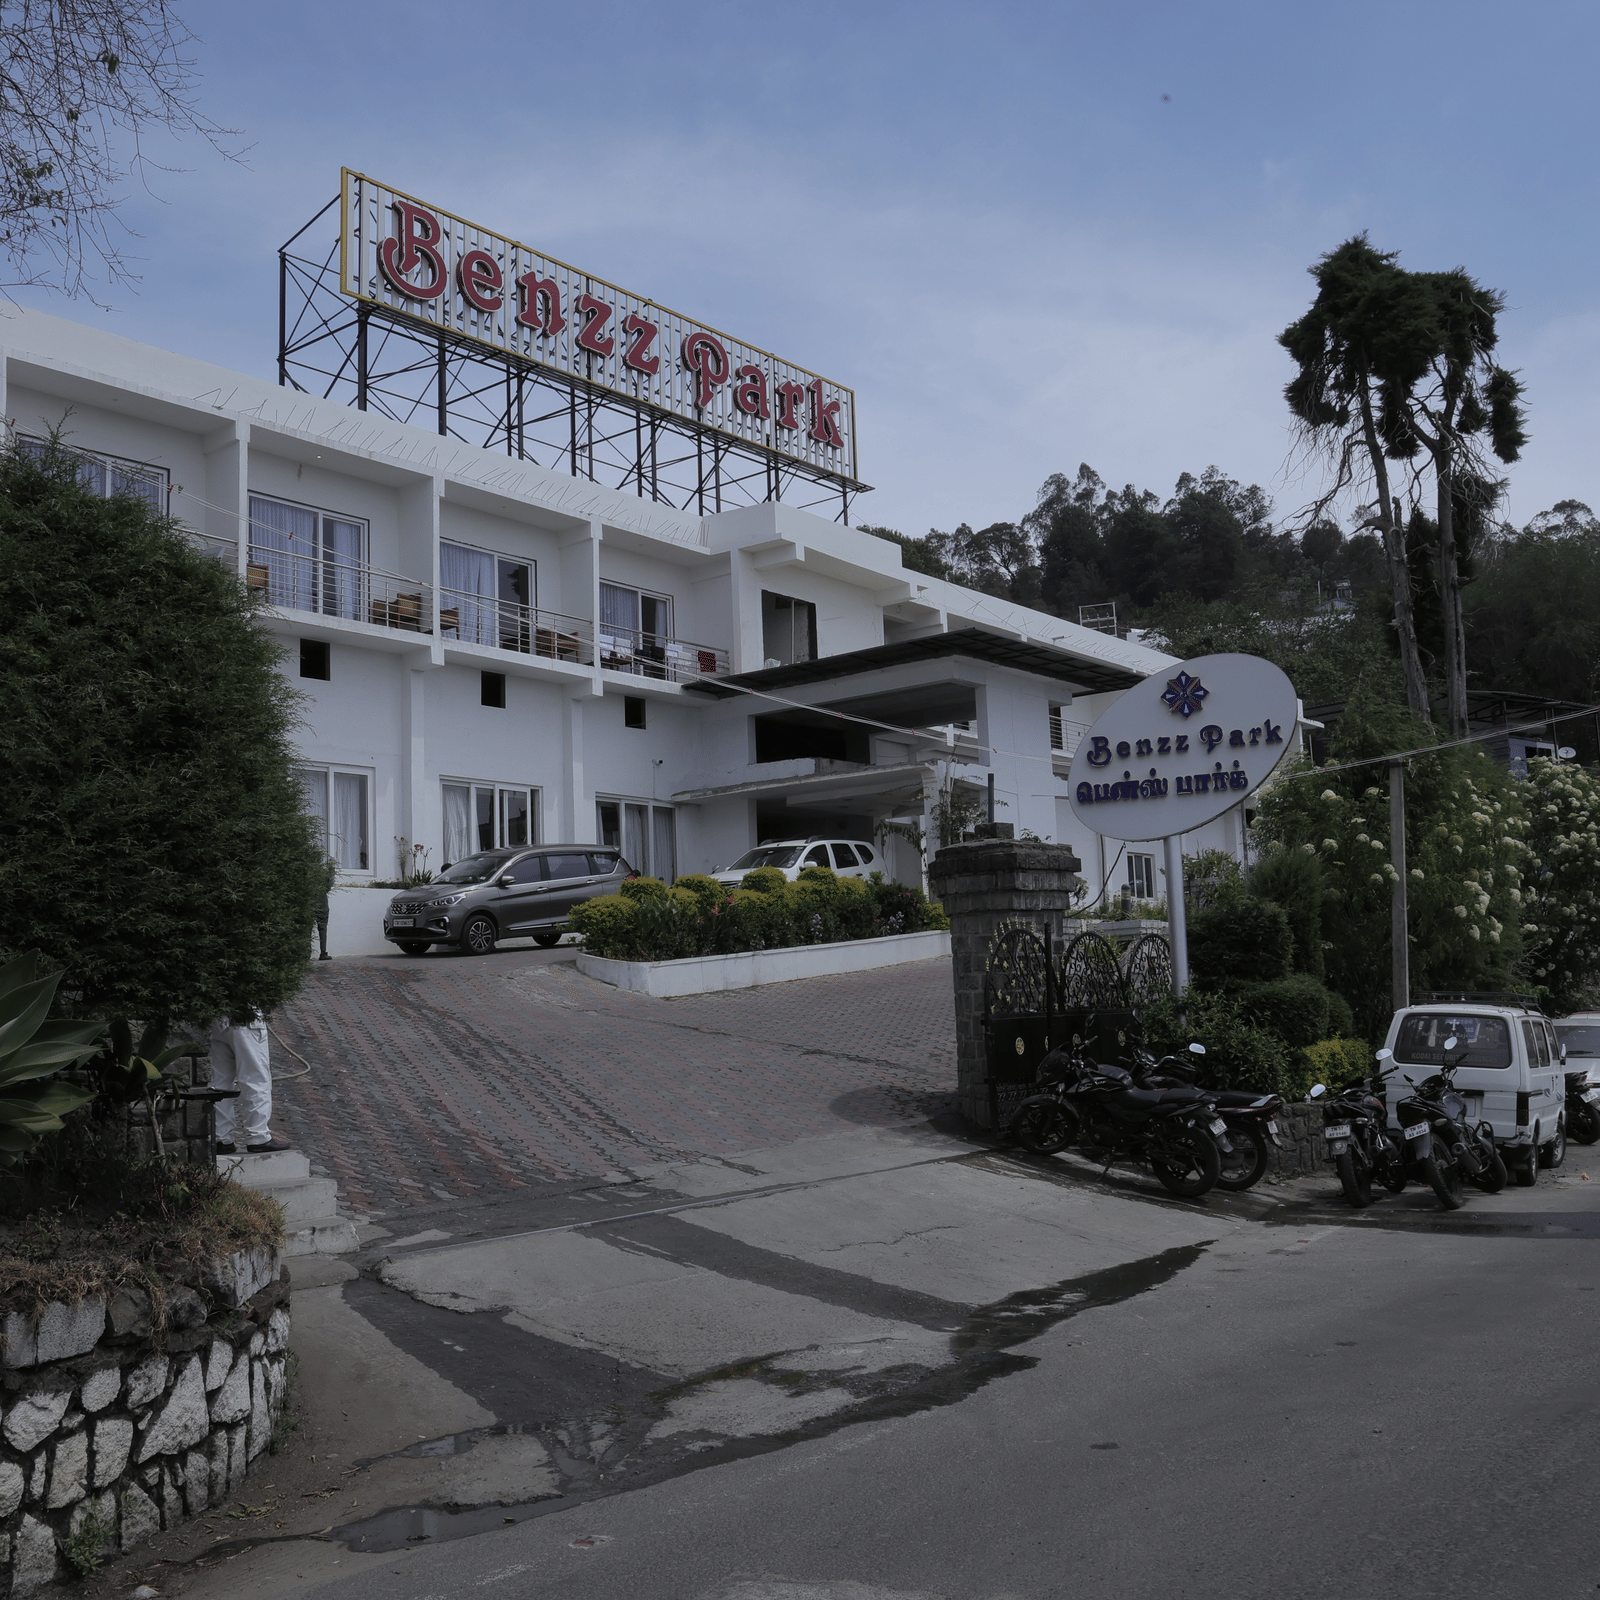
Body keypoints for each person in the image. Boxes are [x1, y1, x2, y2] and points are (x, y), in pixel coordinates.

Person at [209, 1012, 291, 1155]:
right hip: (246, 1019)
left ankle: (221, 1138)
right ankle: (258, 1137)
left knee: (218, 1082)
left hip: (218, 1019)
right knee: (255, 1079)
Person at [315, 855, 337, 961]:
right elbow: (329, 885)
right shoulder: (323, 873)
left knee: (307, 929)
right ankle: (323, 953)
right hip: (322, 903)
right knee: (323, 928)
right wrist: (332, 868)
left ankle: (305, 954)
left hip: (309, 903)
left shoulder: (307, 873)